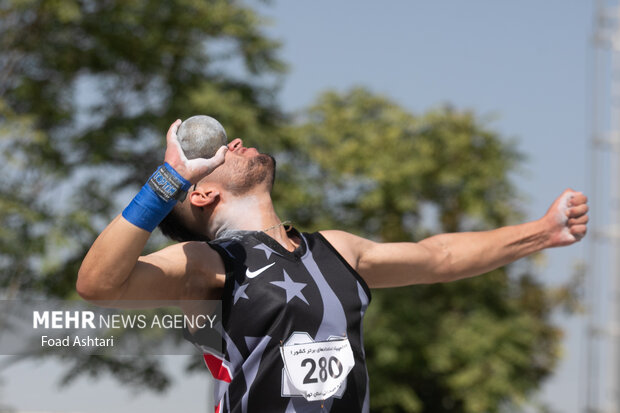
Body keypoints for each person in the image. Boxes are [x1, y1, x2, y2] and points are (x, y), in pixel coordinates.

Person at [77, 119, 589, 413]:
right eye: (215, 151)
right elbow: (99, 284)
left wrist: (542, 232)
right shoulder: (205, 261)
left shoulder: (336, 250)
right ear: (205, 191)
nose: (231, 142)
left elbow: (442, 257)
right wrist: (168, 179)